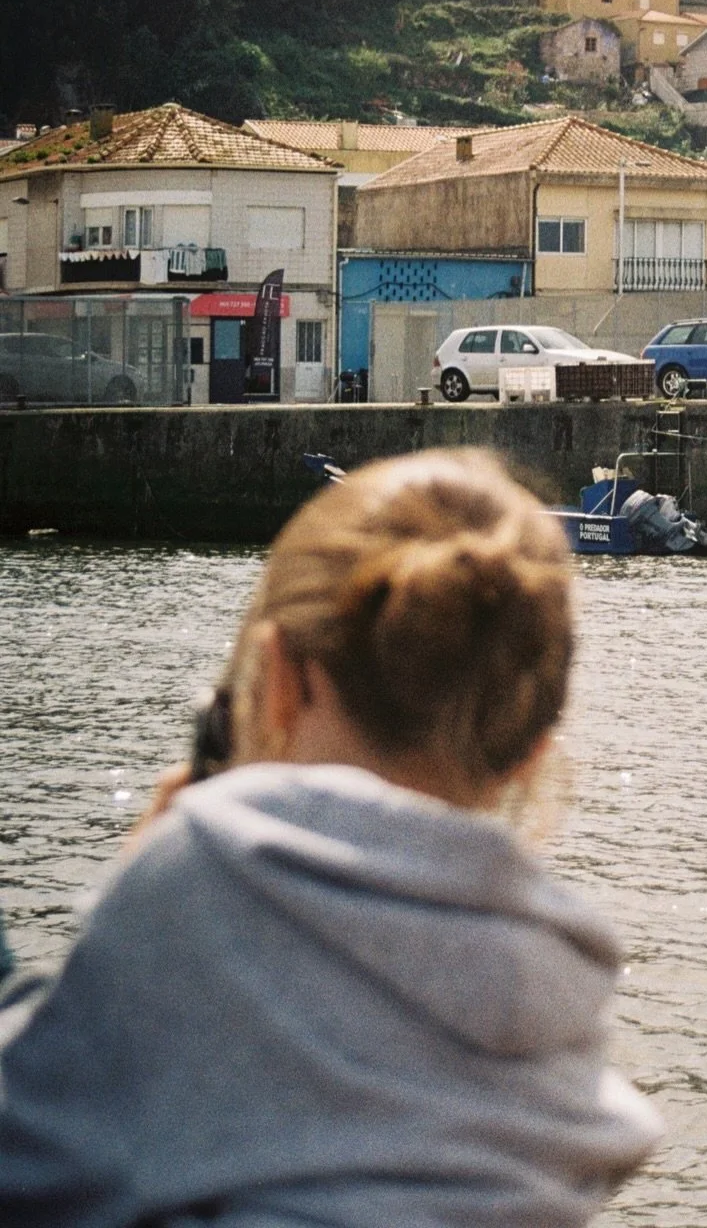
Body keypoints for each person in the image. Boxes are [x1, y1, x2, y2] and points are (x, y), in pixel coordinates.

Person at [0, 449, 662, 1226]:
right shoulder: (563, 1016)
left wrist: (133, 912)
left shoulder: (201, 883)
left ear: (282, 677)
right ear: (530, 753)